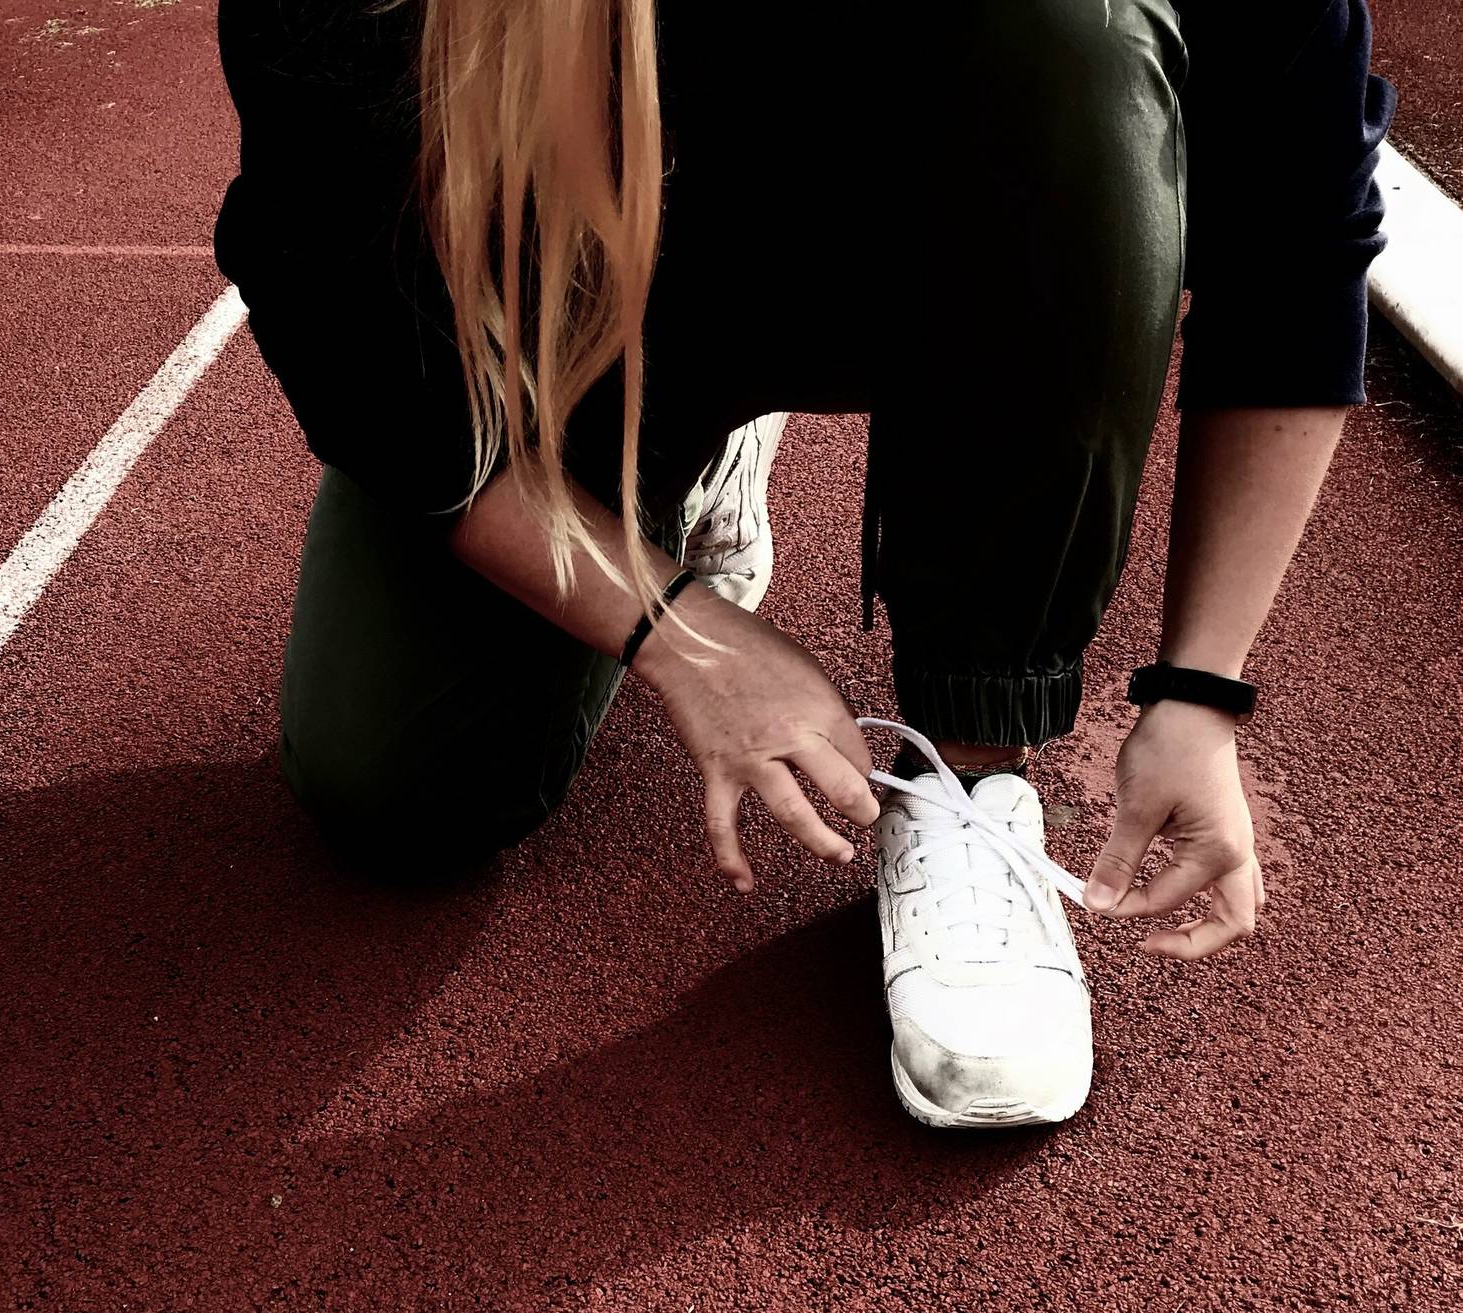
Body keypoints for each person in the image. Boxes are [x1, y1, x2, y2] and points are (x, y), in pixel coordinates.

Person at [212, 0, 1394, 1127]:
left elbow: (1298, 240)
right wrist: (671, 625)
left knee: (1076, 34)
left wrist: (1200, 691)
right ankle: (671, 464)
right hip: (593, 268)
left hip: (964, 242)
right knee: (402, 794)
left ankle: (969, 781)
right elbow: (342, 304)